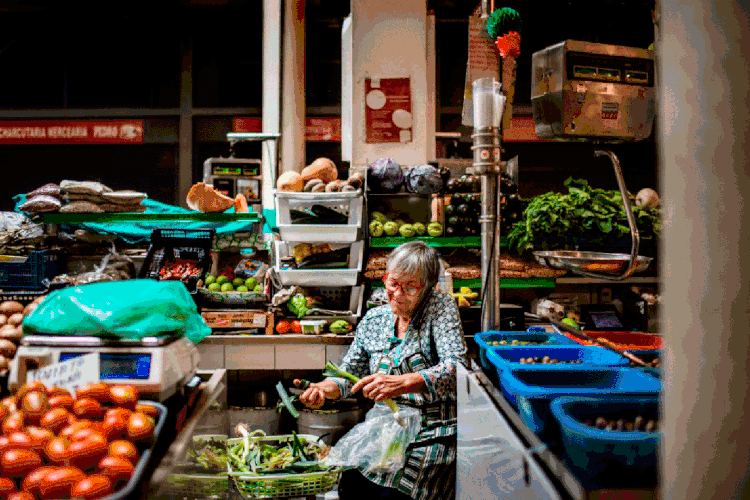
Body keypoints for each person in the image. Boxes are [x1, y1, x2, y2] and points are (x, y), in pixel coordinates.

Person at [296, 241, 468, 500]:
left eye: (410, 287)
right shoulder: (374, 320)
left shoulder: (440, 308)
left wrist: (406, 382)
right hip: (386, 428)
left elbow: (457, 365)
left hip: (433, 430)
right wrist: (323, 389)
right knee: (351, 485)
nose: (398, 294)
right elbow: (347, 375)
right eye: (393, 283)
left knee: (393, 496)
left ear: (428, 289)